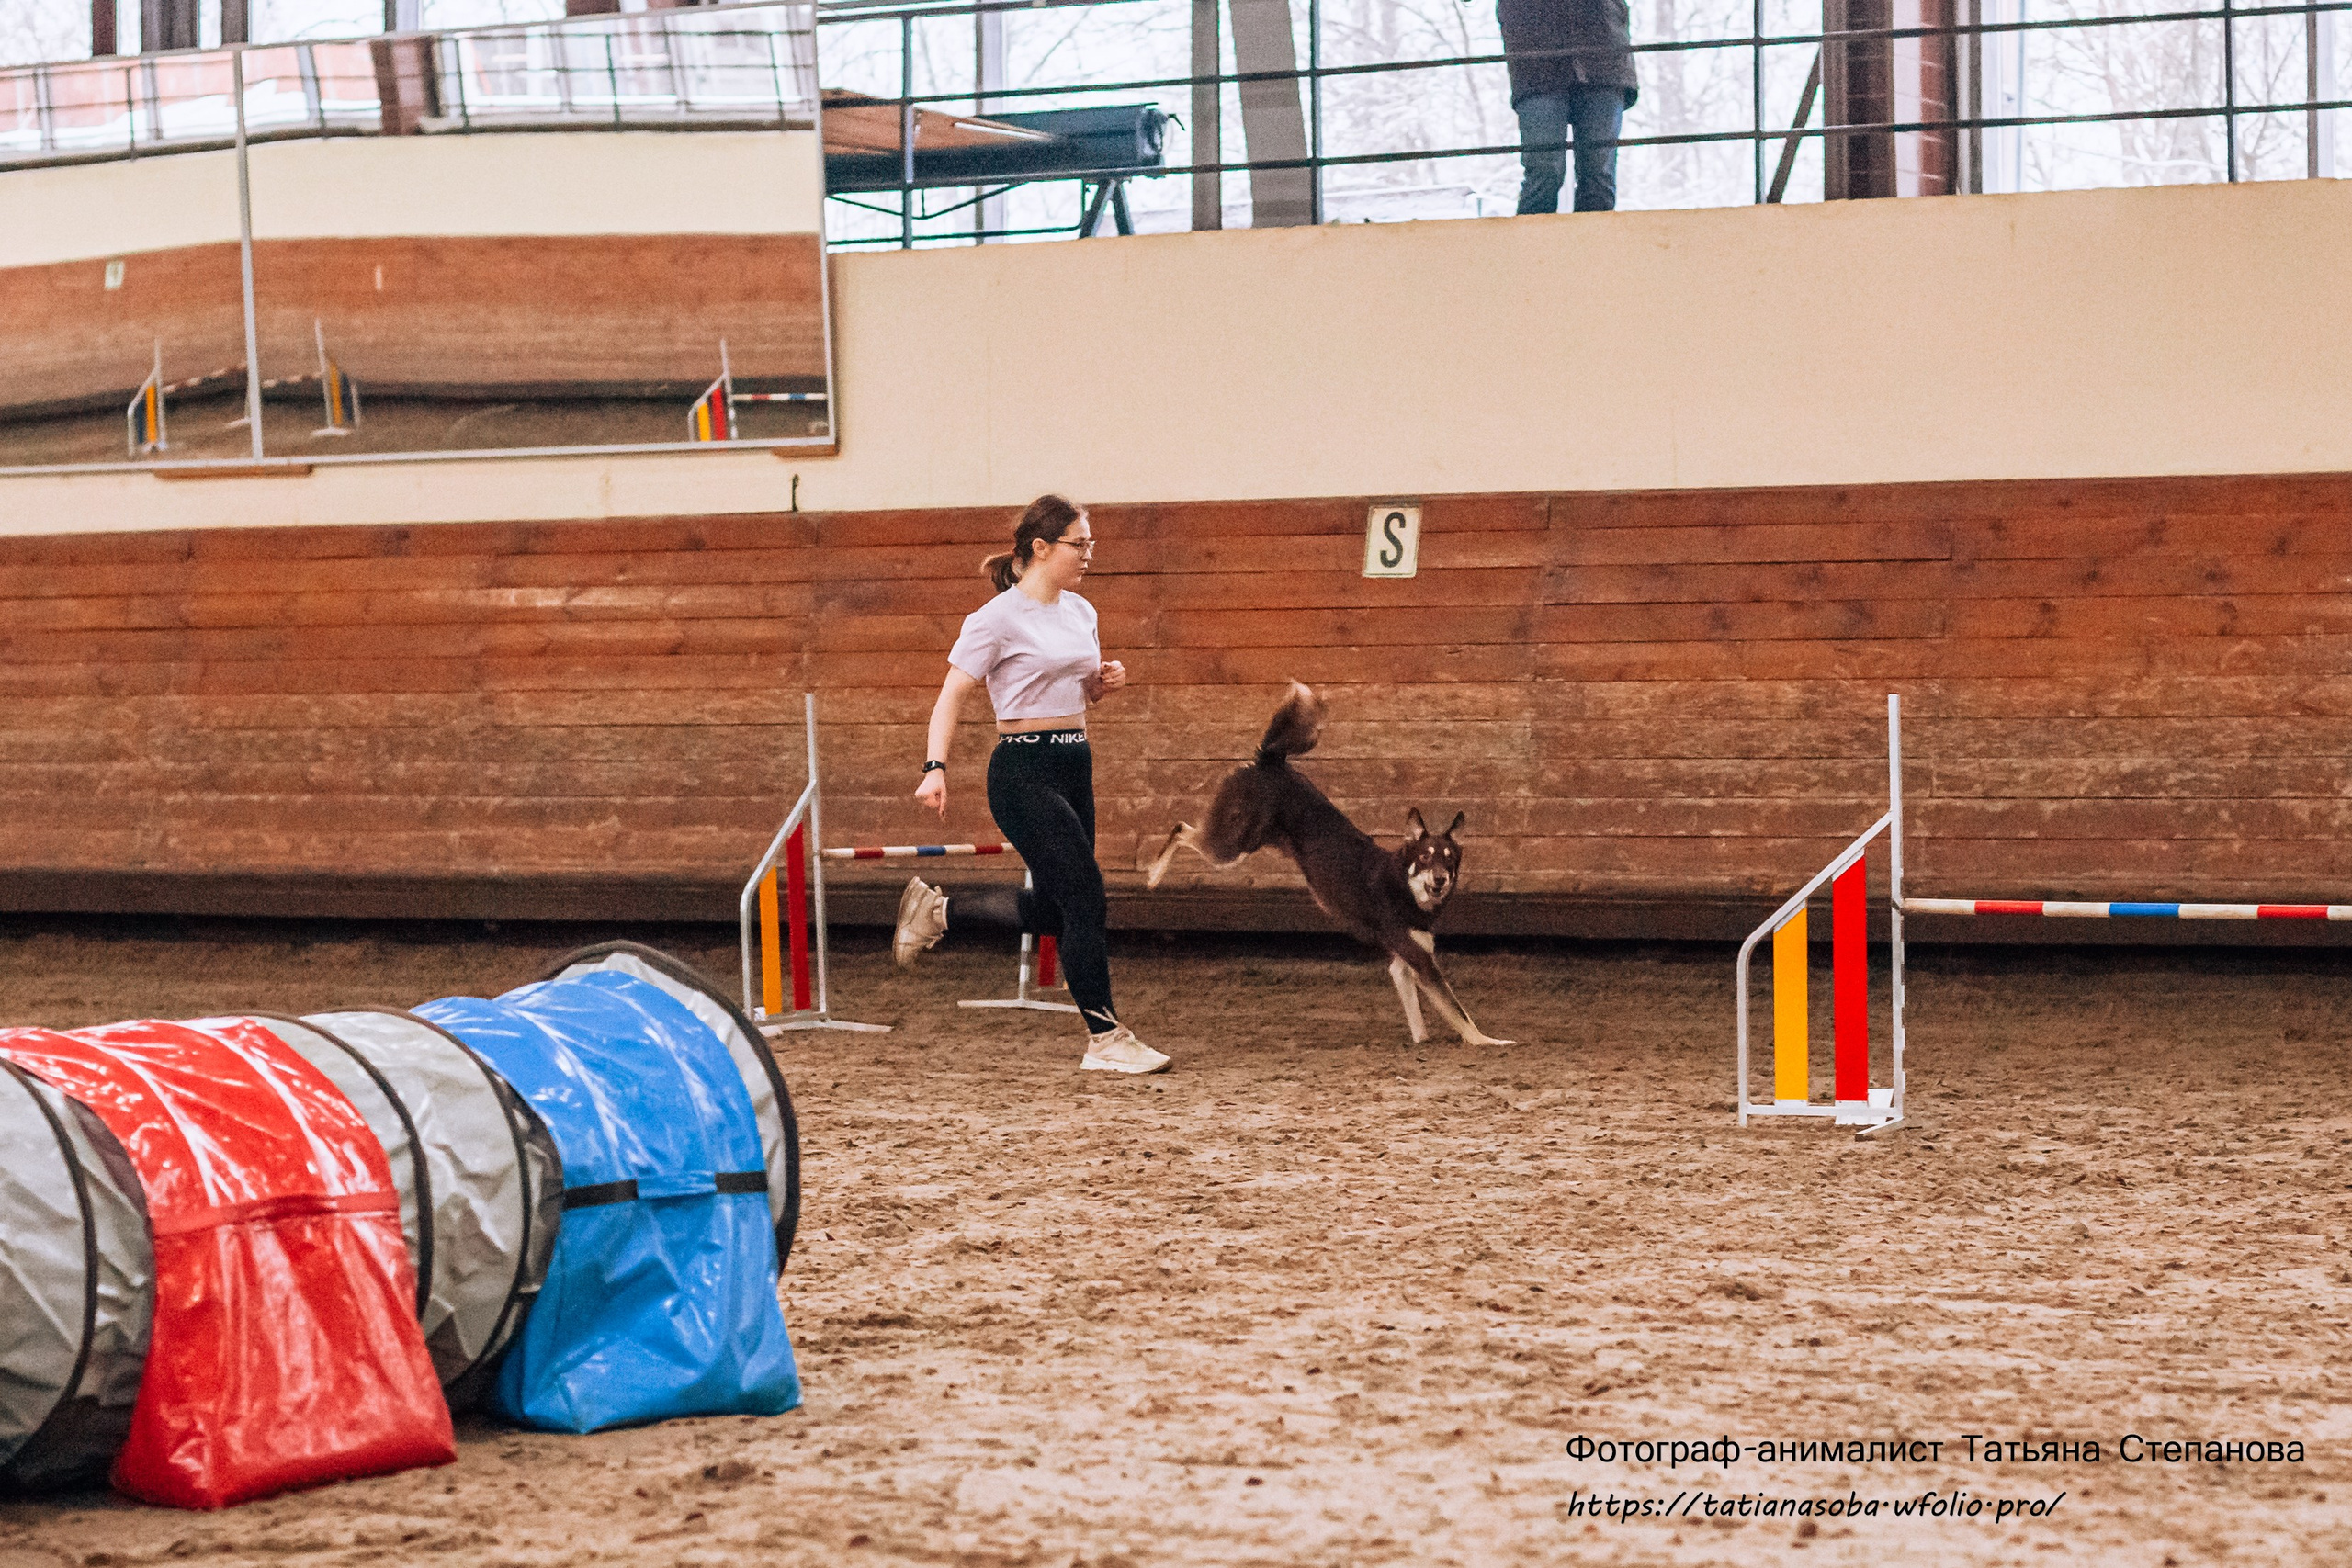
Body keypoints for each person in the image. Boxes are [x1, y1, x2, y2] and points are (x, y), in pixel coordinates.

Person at [892, 495, 1170, 1076]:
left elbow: (1074, 689)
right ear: (1041, 549)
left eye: (1090, 544)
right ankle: (1105, 1037)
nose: (1089, 555)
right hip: (1021, 771)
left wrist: (1101, 684)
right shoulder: (994, 620)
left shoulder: (1082, 611)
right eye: (1080, 544)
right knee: (1087, 896)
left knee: (1057, 906)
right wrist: (933, 768)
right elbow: (951, 698)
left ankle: (939, 914)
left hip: (1075, 763)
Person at [1496, 0, 1638, 213]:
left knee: (1597, 174)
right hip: (1537, 59)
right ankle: (1532, 244)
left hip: (1601, 57)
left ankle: (1591, 244)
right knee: (1546, 170)